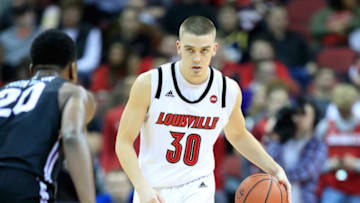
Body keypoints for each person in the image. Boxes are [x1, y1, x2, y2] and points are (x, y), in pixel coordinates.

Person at [115, 16, 291, 203]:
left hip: (198, 186)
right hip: (154, 187)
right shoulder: (150, 83)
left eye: (204, 50)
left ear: (214, 49)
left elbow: (238, 135)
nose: (197, 58)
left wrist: (275, 169)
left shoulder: (226, 90)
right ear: (179, 47)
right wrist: (141, 186)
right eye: (190, 50)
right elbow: (124, 142)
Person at [0, 29, 96, 203]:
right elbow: (72, 136)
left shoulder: (4, 91)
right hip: (27, 187)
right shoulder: (70, 92)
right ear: (73, 70)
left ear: (31, 70)